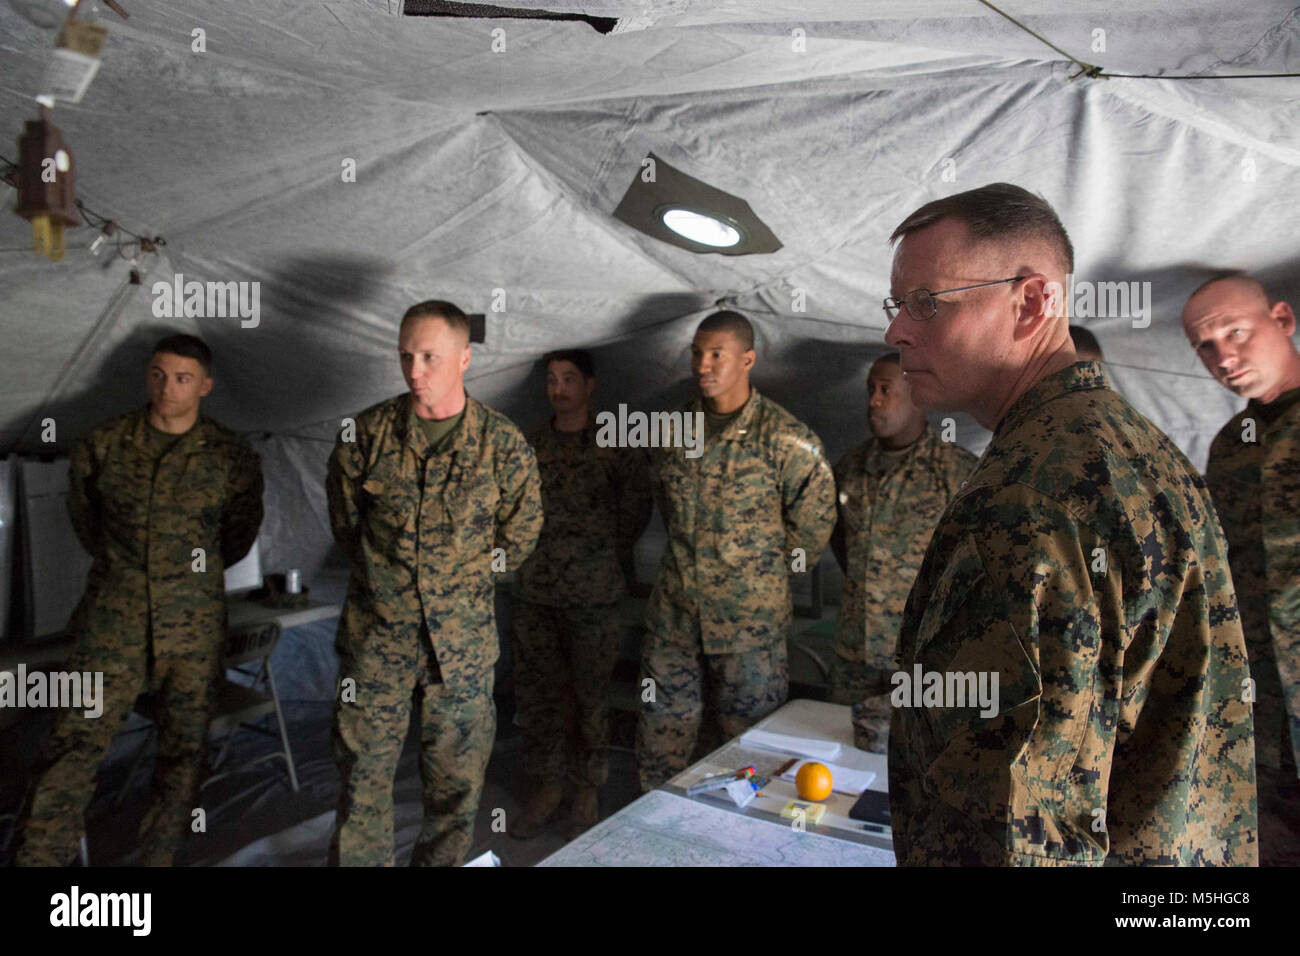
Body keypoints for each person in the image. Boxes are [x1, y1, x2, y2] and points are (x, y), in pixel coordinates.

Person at [882, 183, 1256, 865]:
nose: (896, 331)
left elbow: (1016, 829)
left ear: (1031, 302)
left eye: (926, 304)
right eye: (897, 306)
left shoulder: (1028, 496)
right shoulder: (1141, 449)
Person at [14, 334, 264, 866]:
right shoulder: (103, 445)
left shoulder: (231, 457)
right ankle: (37, 859)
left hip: (191, 630)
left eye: (181, 378)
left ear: (205, 385)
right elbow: (88, 524)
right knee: (71, 745)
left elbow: (236, 537)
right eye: (157, 374)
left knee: (183, 750)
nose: (166, 388)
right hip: (113, 624)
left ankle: (158, 858)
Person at [326, 300, 542, 866]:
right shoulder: (365, 437)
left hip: (462, 653)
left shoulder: (503, 445)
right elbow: (349, 530)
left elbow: (519, 536)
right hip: (377, 645)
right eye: (406, 356)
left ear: (465, 358)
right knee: (361, 790)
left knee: (456, 793)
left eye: (429, 356)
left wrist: (461, 587)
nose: (414, 371)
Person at [637, 310, 836, 790]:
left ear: (747, 359)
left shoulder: (787, 439)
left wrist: (755, 574)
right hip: (675, 619)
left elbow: (813, 525)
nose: (703, 365)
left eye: (716, 355)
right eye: (696, 353)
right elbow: (661, 502)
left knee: (750, 753)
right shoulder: (670, 431)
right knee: (661, 742)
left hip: (750, 629)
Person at [1182, 273, 1300, 865]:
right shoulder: (1233, 444)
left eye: (1236, 331)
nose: (1223, 356)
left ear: (1282, 319)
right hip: (1262, 716)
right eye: (1206, 345)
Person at [509, 349, 652, 838]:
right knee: (541, 697)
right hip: (537, 593)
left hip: (594, 594)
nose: (559, 389)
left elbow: (635, 509)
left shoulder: (615, 443)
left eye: (569, 379)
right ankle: (547, 787)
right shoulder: (530, 444)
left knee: (590, 697)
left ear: (590, 385)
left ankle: (587, 788)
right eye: (551, 380)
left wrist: (598, 555)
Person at [829, 352, 975, 753]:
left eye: (886, 390)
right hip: (854, 653)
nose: (874, 400)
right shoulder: (850, 467)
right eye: (870, 390)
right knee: (842, 756)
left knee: (915, 764)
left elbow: (976, 566)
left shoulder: (957, 472)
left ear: (918, 397)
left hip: (919, 658)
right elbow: (839, 541)